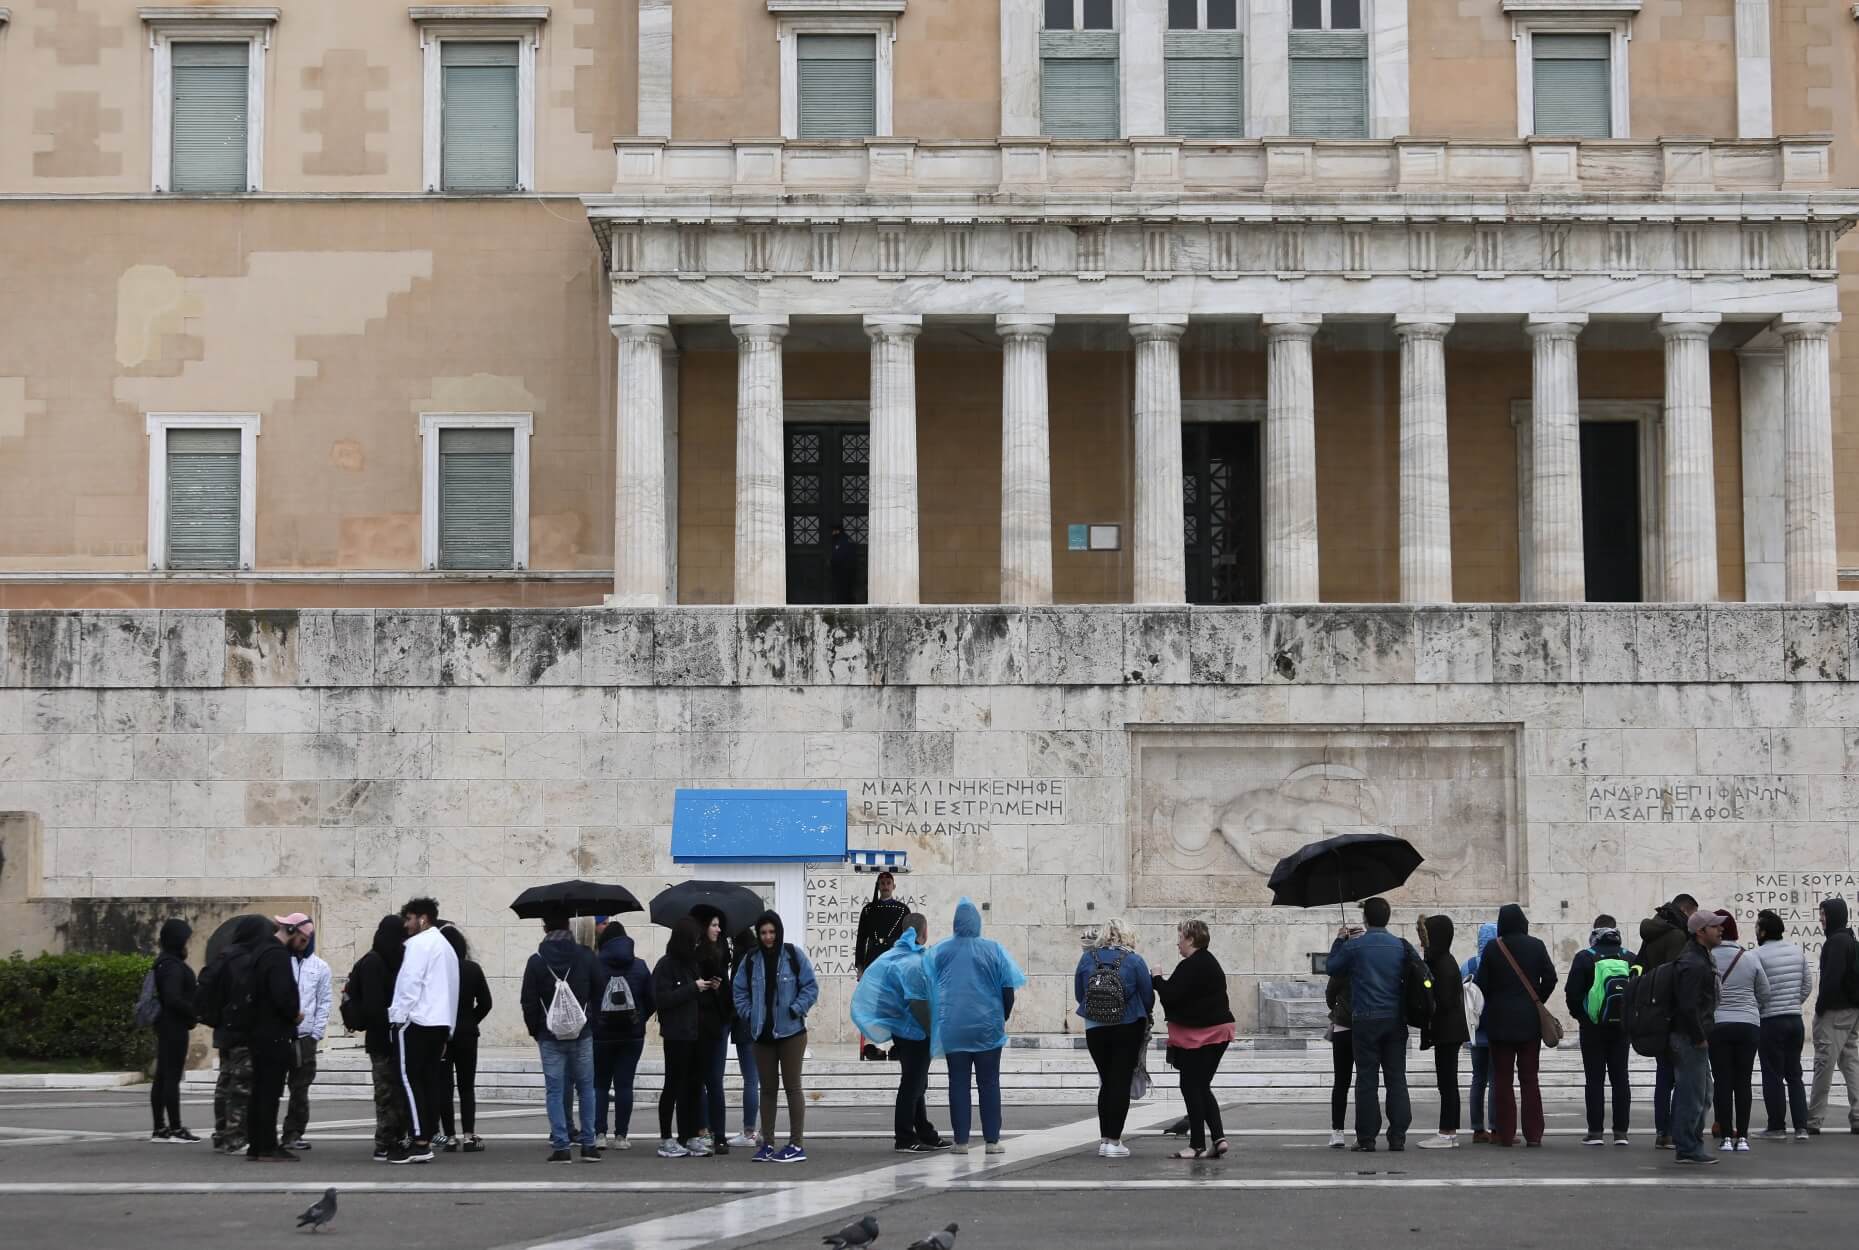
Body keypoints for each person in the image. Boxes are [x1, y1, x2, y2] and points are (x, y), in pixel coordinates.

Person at [931, 898, 1026, 1155]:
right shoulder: (994, 949)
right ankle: (992, 1141)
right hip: (987, 1027)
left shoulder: (941, 951)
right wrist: (1000, 1017)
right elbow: (1008, 989)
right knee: (989, 1083)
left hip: (954, 1026)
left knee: (958, 1083)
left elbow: (930, 987)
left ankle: (961, 1142)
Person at [853, 913, 948, 1154]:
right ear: (922, 933)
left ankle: (925, 1132)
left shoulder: (895, 958)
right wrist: (932, 1031)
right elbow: (918, 1004)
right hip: (915, 1032)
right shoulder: (913, 963)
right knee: (912, 1084)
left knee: (918, 1084)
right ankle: (905, 1137)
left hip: (903, 1030)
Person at [732, 909, 819, 1163]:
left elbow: (810, 986)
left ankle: (796, 1144)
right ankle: (767, 1143)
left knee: (793, 1088)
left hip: (791, 1033)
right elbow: (739, 991)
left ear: (778, 932)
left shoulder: (793, 955)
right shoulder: (751, 959)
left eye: (772, 932)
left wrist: (796, 1009)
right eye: (763, 932)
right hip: (762, 1036)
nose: (768, 937)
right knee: (767, 1090)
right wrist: (749, 1014)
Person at [1326, 897, 1412, 1152]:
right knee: (1396, 1078)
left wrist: (1340, 939)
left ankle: (1367, 1138)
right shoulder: (1400, 945)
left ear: (1365, 919)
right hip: (1395, 1019)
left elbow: (1331, 967)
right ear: (1388, 917)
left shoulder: (1356, 947)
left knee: (1366, 1079)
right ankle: (1397, 1136)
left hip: (1365, 1019)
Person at [1474, 903, 1557, 1149]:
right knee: (1530, 1079)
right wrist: (1537, 999)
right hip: (1529, 1022)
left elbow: (1481, 984)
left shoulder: (1493, 947)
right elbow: (1551, 977)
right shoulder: (1536, 945)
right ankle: (1534, 1135)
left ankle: (1506, 1134)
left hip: (1499, 1023)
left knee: (1502, 1080)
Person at [520, 909, 601, 1163]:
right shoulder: (586, 956)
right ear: (569, 928)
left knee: (555, 1090)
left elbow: (528, 1001)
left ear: (545, 929)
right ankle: (589, 1144)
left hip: (550, 1036)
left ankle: (561, 1145)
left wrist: (537, 1031)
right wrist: (591, 1023)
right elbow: (599, 993)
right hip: (582, 1033)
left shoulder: (536, 961)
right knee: (586, 1088)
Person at [1153, 919, 1235, 1160]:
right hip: (1220, 1031)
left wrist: (1157, 978)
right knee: (1201, 1086)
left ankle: (1197, 1144)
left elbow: (1170, 996)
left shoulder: (1190, 965)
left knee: (1190, 1086)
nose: (1177, 943)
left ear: (1190, 938)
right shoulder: (1210, 962)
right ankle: (1218, 1138)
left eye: (1179, 937)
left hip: (1200, 1035)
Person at [388, 896, 460, 1164]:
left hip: (417, 1022)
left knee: (408, 1080)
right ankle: (425, 1136)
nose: (406, 925)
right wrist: (448, 1029)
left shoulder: (419, 944)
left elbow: (410, 983)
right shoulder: (447, 947)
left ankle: (419, 1141)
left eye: (408, 919)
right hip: (439, 1023)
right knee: (428, 1082)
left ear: (422, 918)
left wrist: (397, 1017)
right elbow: (452, 989)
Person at [1073, 918, 1154, 1158]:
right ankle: (1114, 1141)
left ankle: (1104, 1139)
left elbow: (1080, 994)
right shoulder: (1135, 960)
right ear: (1127, 935)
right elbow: (1147, 996)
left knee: (1106, 1080)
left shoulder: (1088, 958)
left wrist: (1098, 1011)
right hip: (1127, 1025)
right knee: (1120, 1081)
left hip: (1094, 1027)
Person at [196, 915, 267, 1155]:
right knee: (241, 1085)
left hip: (223, 1029)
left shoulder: (224, 956)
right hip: (242, 1031)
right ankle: (235, 1137)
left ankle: (220, 1134)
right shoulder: (245, 960)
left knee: (224, 1083)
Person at [1564, 915, 1636, 1146]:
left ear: (1595, 932)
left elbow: (1572, 994)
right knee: (1620, 1078)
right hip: (1621, 1028)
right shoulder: (1629, 957)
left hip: (1593, 1028)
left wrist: (1583, 1018)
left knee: (1594, 1079)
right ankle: (1621, 1133)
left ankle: (1595, 1132)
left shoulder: (1585, 957)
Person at [341, 915, 407, 1162]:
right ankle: (384, 1142)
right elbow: (374, 1007)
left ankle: (396, 1138)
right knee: (386, 1093)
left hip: (390, 1038)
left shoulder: (387, 961)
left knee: (394, 1092)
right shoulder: (373, 964)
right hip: (382, 1040)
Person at [1707, 909, 1770, 1152]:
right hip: (1747, 1025)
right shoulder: (1750, 957)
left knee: (1722, 1081)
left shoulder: (1708, 957)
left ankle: (1724, 1137)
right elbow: (1764, 993)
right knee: (1743, 1081)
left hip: (1718, 1025)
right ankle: (1742, 1137)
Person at [1640, 893, 1699, 1149]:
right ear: (1685, 910)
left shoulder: (1651, 935)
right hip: (1671, 1014)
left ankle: (1662, 1130)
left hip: (1652, 1012)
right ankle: (1673, 1131)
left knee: (1663, 1076)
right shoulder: (1676, 936)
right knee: (1679, 1076)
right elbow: (1678, 976)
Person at [243, 917, 304, 1162]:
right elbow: (281, 994)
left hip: (258, 1031)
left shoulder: (260, 951)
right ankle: (267, 1145)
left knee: (259, 1090)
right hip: (274, 1033)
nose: (302, 946)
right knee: (269, 1090)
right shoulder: (277, 955)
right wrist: (294, 1015)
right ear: (292, 931)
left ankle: (256, 1145)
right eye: (302, 940)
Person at [1751, 908, 1813, 1141]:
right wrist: (1794, 1003)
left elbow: (1757, 990)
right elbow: (1807, 984)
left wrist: (1764, 1008)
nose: (1756, 930)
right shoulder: (1797, 952)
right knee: (1794, 1074)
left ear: (1764, 932)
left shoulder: (1757, 955)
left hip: (1770, 1021)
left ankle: (1776, 1126)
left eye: (1758, 927)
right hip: (1795, 1020)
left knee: (1773, 1074)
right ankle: (1801, 1127)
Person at [593, 920, 654, 1151]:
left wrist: (595, 1021)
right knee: (624, 1085)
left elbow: (587, 997)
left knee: (600, 1085)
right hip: (632, 1035)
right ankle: (621, 1136)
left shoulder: (594, 965)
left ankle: (599, 1134)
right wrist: (639, 1019)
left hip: (601, 1035)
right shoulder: (639, 966)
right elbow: (652, 999)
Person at [1671, 909, 1725, 1164]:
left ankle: (1691, 1143)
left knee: (1701, 1094)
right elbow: (1687, 1004)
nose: (1721, 929)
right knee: (1691, 1093)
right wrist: (1698, 1035)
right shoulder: (1694, 962)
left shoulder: (1700, 957)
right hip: (1690, 1037)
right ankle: (1687, 1147)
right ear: (1701, 932)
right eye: (1715, 926)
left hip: (1694, 1035)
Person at [654, 916, 711, 1158]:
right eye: (694, 940)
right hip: (676, 1035)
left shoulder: (693, 964)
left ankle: (688, 1135)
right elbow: (662, 999)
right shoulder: (666, 965)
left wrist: (708, 987)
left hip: (695, 1033)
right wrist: (692, 988)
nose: (697, 945)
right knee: (673, 1086)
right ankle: (666, 1137)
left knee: (694, 1086)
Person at [436, 923, 492, 1153]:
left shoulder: (438, 972)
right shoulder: (472, 968)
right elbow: (486, 1003)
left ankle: (449, 1136)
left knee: (444, 1087)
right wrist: (471, 1020)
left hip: (441, 1034)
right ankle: (469, 1135)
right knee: (466, 1086)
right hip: (468, 1034)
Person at [278, 914, 332, 1153]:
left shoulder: (320, 967)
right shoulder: (280, 960)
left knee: (300, 1088)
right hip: (281, 1033)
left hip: (305, 1036)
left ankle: (294, 1132)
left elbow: (324, 1001)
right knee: (271, 1085)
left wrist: (316, 1033)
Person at [1807, 896, 1859, 1135]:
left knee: (1823, 1064)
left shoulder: (1836, 942)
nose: (1821, 919)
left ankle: (1814, 1119)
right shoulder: (1849, 939)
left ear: (1835, 915)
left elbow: (1832, 979)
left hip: (1835, 1012)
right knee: (1850, 1063)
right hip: (1851, 1010)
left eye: (1824, 914)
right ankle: (1857, 1116)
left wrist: (1820, 1008)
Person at [1416, 915, 1468, 1149]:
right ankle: (1447, 1131)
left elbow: (1443, 1001)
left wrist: (1426, 991)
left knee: (1447, 1083)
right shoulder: (1441, 960)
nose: (1422, 942)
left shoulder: (1443, 964)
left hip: (1448, 1030)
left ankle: (1447, 1133)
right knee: (1446, 1082)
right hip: (1447, 1031)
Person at [148, 919, 199, 1143]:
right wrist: (194, 1012)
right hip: (173, 1026)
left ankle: (160, 1127)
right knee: (170, 1077)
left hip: (168, 1024)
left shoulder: (165, 962)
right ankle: (175, 1128)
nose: (188, 945)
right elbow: (173, 998)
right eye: (185, 940)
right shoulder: (171, 966)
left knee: (163, 1076)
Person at [691, 907, 736, 1153]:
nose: (718, 930)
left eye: (720, 925)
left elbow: (728, 994)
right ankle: (701, 1130)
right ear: (704, 927)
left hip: (719, 1022)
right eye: (714, 925)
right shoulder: (694, 955)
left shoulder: (722, 953)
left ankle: (719, 1134)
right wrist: (702, 986)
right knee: (700, 1080)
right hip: (700, 1023)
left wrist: (718, 988)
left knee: (715, 1081)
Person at [855, 873, 912, 1061]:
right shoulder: (869, 910)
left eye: (888, 883)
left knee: (895, 1003)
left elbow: (908, 938)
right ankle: (877, 1047)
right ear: (878, 886)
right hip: (873, 958)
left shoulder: (903, 909)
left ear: (894, 886)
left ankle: (897, 1045)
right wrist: (860, 966)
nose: (885, 886)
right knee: (875, 1003)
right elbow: (861, 939)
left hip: (894, 960)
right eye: (882, 883)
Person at [1460, 920, 1499, 1143]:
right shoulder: (1500, 962)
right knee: (1495, 1079)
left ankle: (1477, 1129)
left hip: (1475, 1031)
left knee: (1478, 1079)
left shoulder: (1468, 965)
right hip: (1497, 1030)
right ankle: (1494, 1127)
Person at [725, 926, 761, 1148]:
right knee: (757, 1080)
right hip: (759, 1024)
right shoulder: (759, 957)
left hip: (744, 1023)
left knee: (750, 1079)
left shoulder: (742, 959)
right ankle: (758, 1130)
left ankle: (749, 1131)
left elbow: (736, 993)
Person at [1323, 931, 1358, 1149]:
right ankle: (1362, 1131)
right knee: (1364, 1081)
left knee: (1341, 1082)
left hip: (1343, 1027)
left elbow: (1329, 996)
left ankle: (1337, 1131)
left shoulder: (1341, 969)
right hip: (1364, 1028)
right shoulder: (1366, 966)